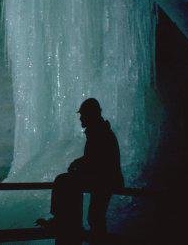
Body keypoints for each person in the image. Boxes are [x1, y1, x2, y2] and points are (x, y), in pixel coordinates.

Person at [36, 98, 124, 240]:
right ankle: (65, 222)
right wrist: (80, 164)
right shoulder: (99, 131)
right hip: (106, 178)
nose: (81, 119)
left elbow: (96, 161)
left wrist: (78, 165)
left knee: (93, 214)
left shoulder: (98, 133)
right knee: (95, 216)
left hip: (105, 179)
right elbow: (95, 159)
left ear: (91, 115)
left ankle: (62, 221)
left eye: (83, 115)